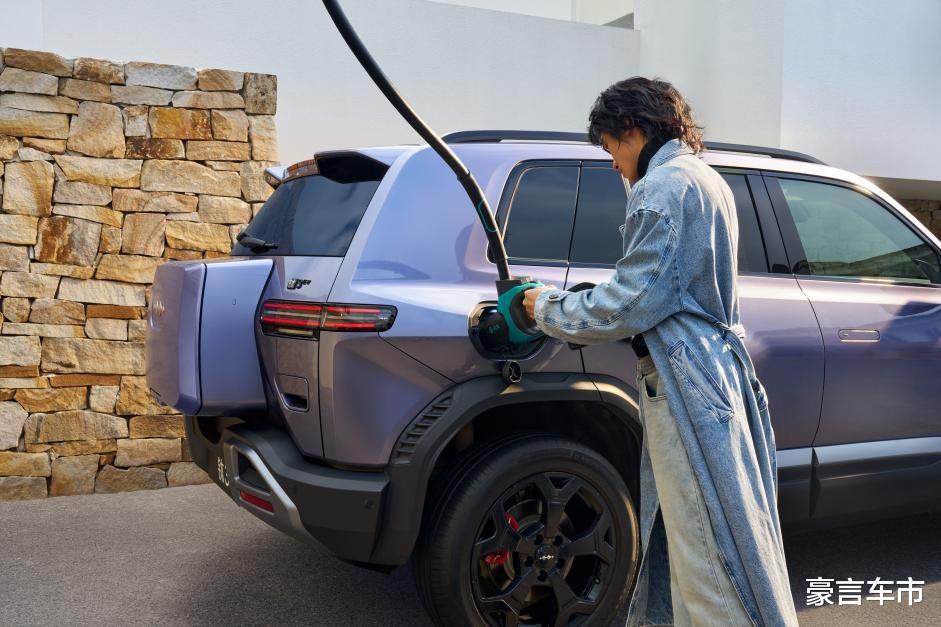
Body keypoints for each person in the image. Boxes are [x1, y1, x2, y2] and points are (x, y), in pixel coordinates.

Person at [521, 77, 799, 626]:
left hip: (685, 380)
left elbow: (632, 302)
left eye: (610, 147)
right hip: (713, 373)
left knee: (706, 555)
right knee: (721, 537)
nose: (613, 163)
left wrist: (545, 307)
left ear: (632, 129)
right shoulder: (706, 179)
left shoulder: (663, 186)